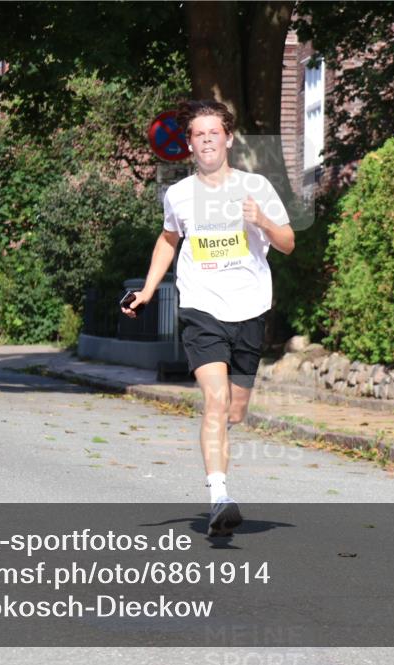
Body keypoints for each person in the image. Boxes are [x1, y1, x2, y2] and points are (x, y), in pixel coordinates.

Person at [123, 100, 295, 537]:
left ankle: (221, 463)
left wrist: (263, 222)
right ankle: (219, 496)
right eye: (198, 135)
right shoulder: (178, 195)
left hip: (250, 308)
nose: (206, 141)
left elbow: (289, 242)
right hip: (201, 308)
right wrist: (146, 290)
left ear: (228, 138)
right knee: (215, 401)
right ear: (189, 144)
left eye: (213, 133)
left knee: (235, 409)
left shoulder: (255, 186)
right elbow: (167, 240)